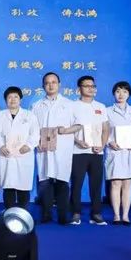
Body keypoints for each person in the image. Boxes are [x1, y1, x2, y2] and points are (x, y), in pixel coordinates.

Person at [32, 72, 78, 224]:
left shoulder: (69, 104)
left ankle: (63, 216)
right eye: (47, 83)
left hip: (62, 148)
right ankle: (46, 215)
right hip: (44, 148)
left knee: (62, 181)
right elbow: (32, 128)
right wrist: (36, 141)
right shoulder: (36, 105)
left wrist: (66, 130)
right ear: (43, 86)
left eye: (53, 82)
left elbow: (78, 125)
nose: (50, 85)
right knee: (45, 181)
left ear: (59, 84)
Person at [69, 75, 111, 226]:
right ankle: (75, 213)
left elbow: (106, 129)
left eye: (92, 86)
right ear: (79, 89)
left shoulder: (101, 106)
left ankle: (96, 214)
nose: (90, 88)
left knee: (96, 184)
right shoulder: (72, 106)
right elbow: (68, 129)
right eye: (86, 86)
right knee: (76, 184)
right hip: (78, 151)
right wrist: (77, 141)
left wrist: (103, 145)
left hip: (96, 152)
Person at [105, 81, 131, 225]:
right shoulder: (107, 111)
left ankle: (126, 215)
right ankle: (116, 215)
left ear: (129, 94)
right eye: (118, 91)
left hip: (130, 151)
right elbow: (103, 131)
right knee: (115, 183)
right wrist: (109, 141)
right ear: (113, 94)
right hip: (115, 151)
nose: (121, 94)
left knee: (127, 184)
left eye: (124, 92)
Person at [0, 86, 39, 209]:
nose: (13, 99)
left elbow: (35, 133)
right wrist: (0, 146)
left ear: (20, 99)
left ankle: (22, 213)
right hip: (6, 155)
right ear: (6, 100)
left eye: (16, 97)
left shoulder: (29, 115)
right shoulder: (0, 115)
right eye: (9, 97)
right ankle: (9, 213)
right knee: (8, 186)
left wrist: (29, 145)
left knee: (23, 186)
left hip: (23, 155)